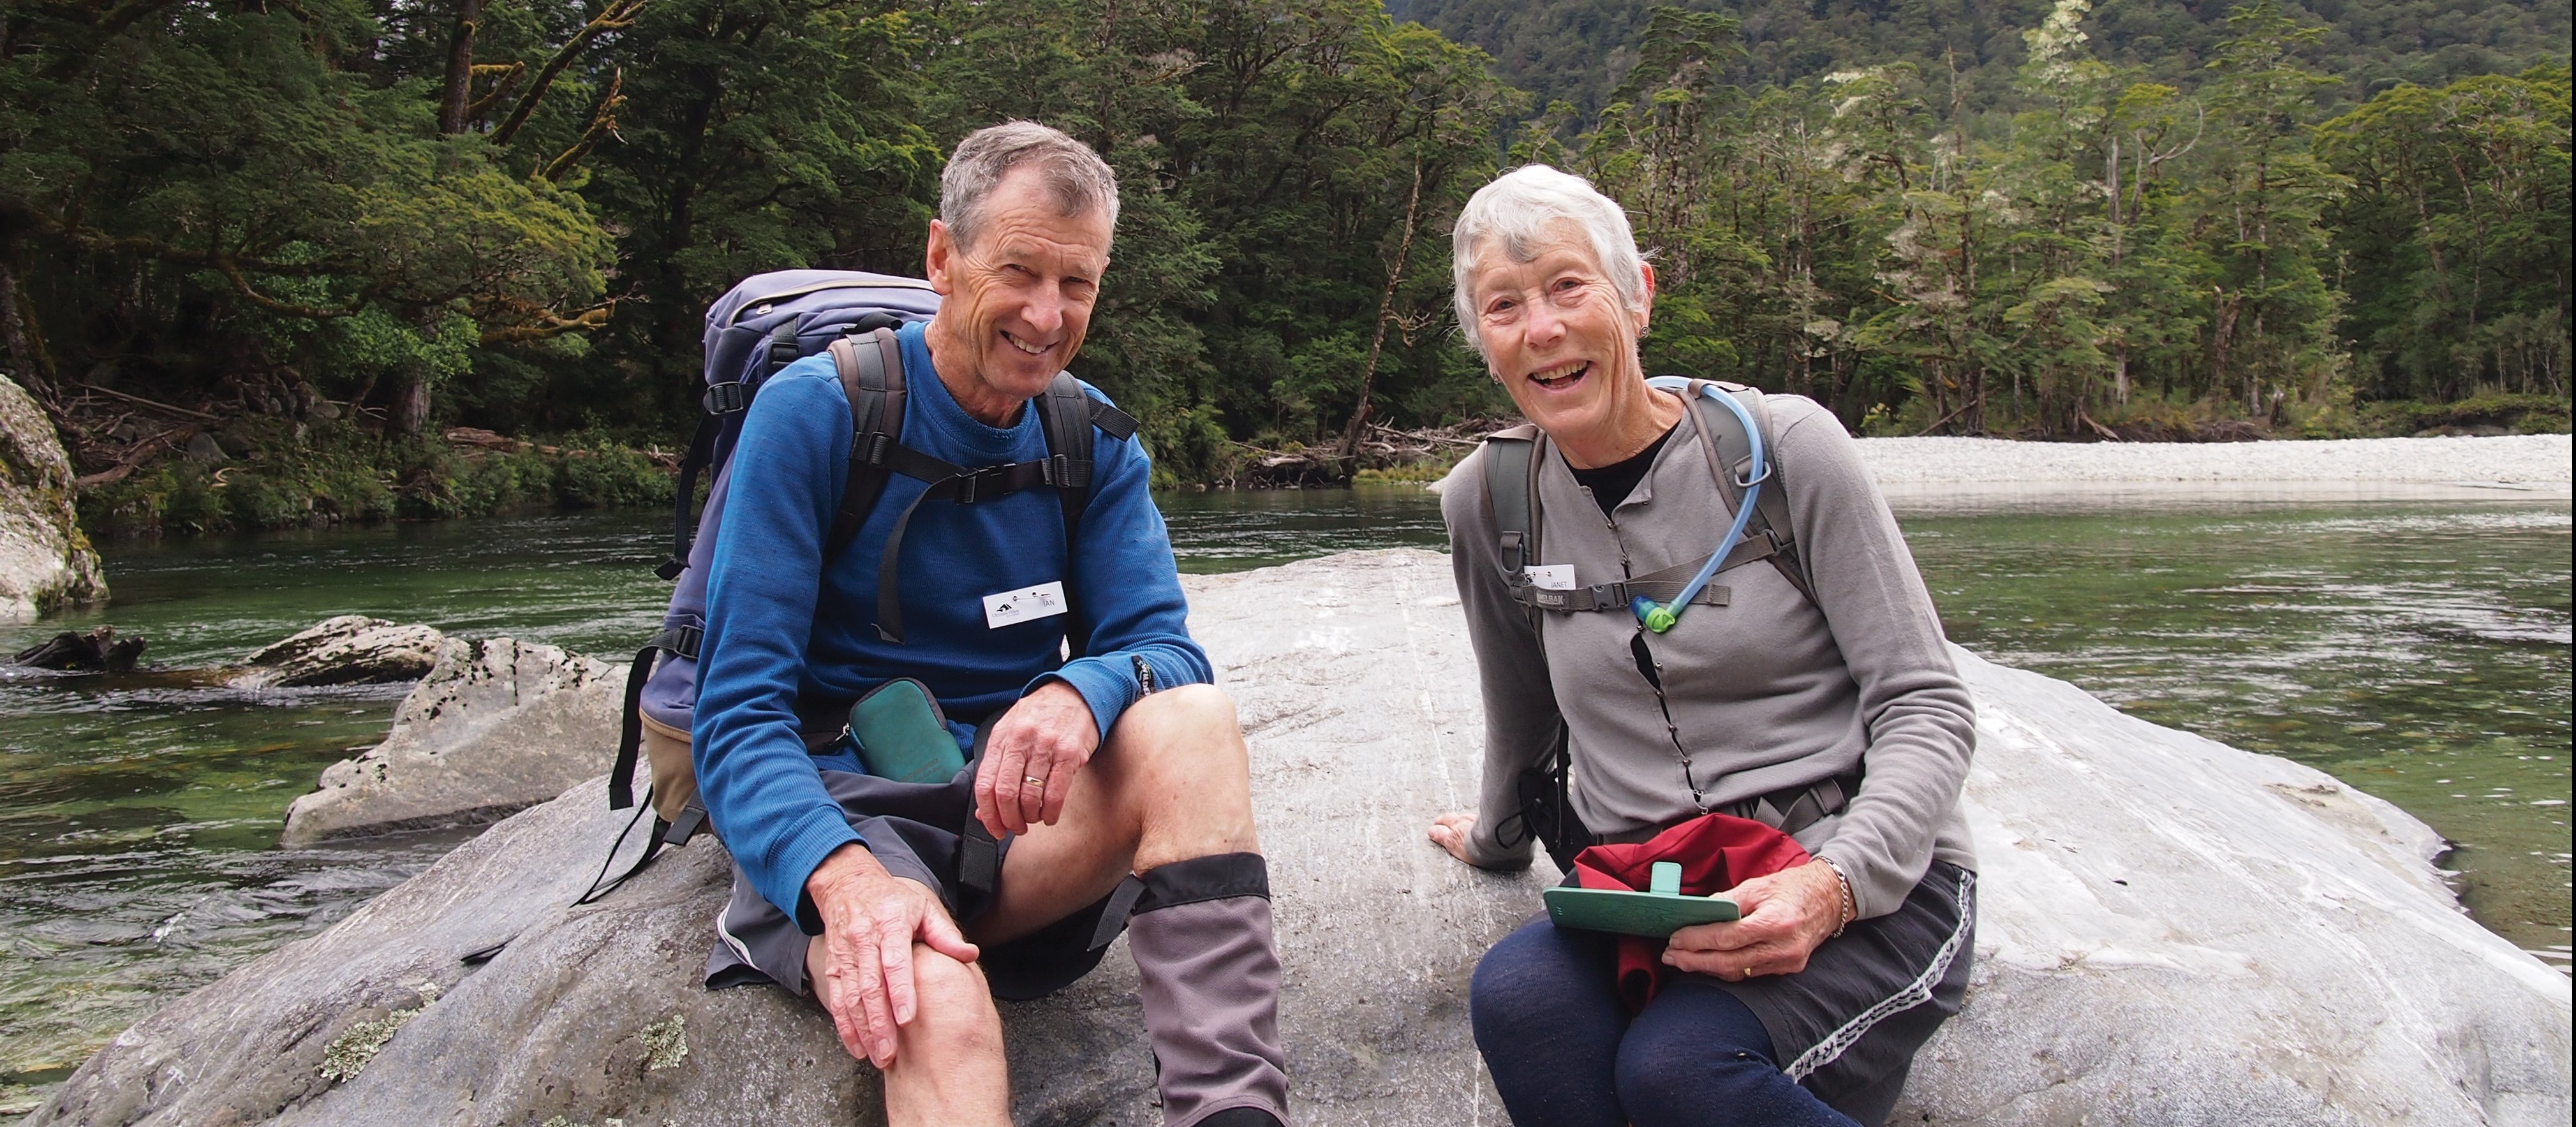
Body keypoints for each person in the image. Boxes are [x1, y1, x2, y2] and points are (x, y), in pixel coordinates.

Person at [691, 121, 1289, 1127]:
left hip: (1007, 822)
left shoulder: (1088, 438)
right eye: (1018, 271)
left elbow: (1163, 649)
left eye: (1079, 285)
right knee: (950, 1022)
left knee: (1191, 721)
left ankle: (1233, 1114)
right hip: (847, 815)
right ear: (941, 256)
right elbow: (737, 714)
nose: (1046, 316)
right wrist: (842, 883)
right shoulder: (814, 415)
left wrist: (1078, 689)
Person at [1424, 165, 1978, 1126]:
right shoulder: (1489, 499)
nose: (1542, 329)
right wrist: (1493, 842)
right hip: (1648, 886)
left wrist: (1833, 887)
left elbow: (1926, 704)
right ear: (1484, 345)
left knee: (1679, 1072)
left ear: (1635, 293)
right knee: (1518, 1002)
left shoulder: (1782, 450)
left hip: (1848, 866)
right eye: (1503, 306)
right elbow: (1521, 714)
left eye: (1566, 285)